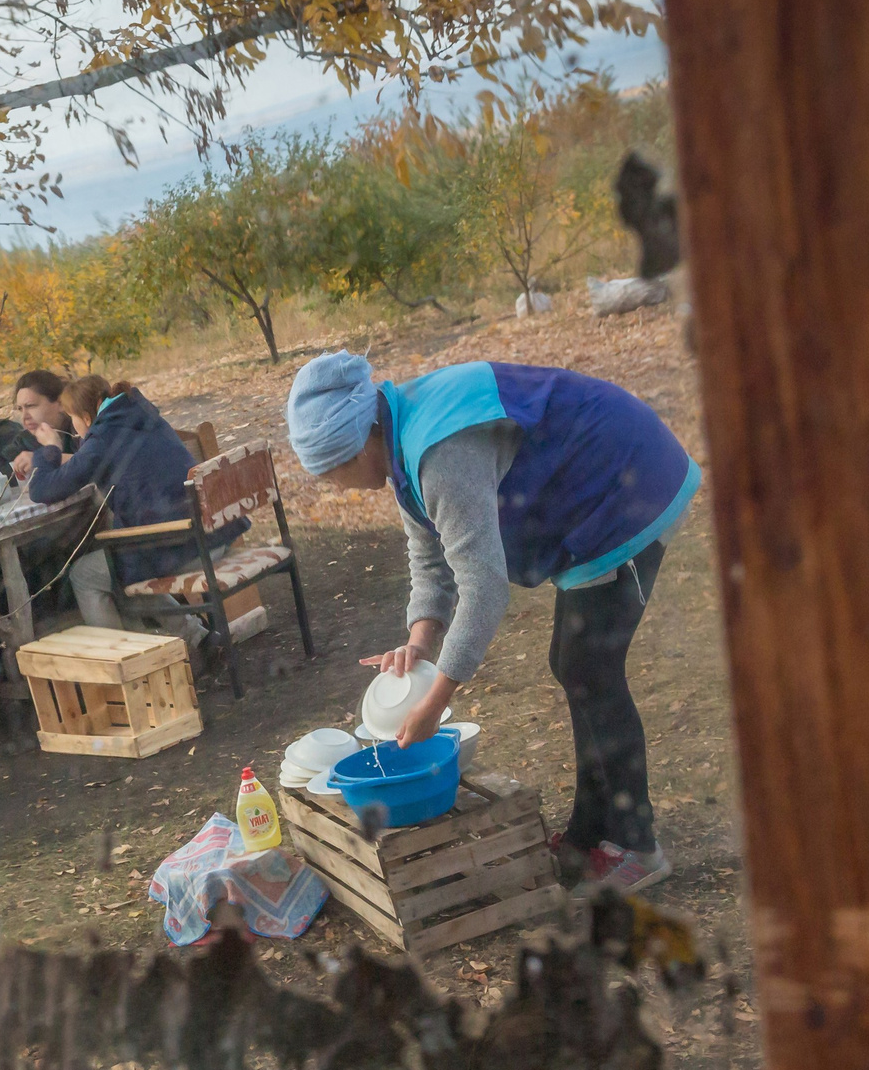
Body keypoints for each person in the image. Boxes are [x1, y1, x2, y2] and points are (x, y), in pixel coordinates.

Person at [286, 351, 699, 893]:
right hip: (592, 488)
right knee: (576, 666)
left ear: (361, 440)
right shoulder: (403, 437)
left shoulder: (439, 453)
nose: (336, 487)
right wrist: (418, 644)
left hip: (627, 483)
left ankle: (640, 847)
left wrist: (433, 705)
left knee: (590, 669)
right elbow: (430, 557)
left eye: (333, 471)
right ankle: (590, 831)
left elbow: (483, 589)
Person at [14, 372, 247, 634]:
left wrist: (50, 449)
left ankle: (127, 661)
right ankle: (196, 640)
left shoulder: (102, 438)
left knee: (86, 575)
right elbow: (96, 460)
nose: (75, 427)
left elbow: (43, 489)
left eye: (73, 418)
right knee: (118, 567)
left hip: (185, 544)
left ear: (87, 418)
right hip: (215, 531)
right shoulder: (140, 417)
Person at [12, 369, 79, 455]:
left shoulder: (82, 431)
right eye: (20, 409)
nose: (24, 417)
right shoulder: (23, 443)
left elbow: (91, 463)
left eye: (31, 406)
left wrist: (44, 457)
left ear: (61, 404)